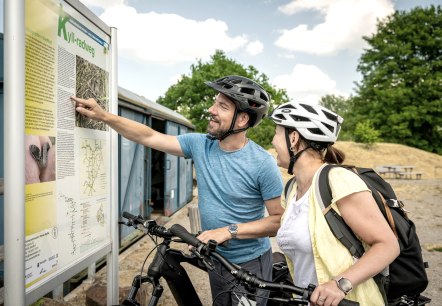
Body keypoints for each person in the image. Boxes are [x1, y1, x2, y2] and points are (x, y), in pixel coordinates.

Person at [71, 75, 284, 306]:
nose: (211, 110)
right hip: (216, 258)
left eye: (222, 106)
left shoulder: (262, 163)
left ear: (242, 119)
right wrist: (103, 116)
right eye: (214, 102)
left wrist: (228, 231)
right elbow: (149, 135)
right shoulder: (201, 145)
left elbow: (277, 221)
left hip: (248, 263)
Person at [269, 102, 400, 306]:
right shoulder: (292, 188)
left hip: (354, 301)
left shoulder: (336, 180)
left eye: (276, 133)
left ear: (293, 138)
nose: (272, 140)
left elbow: (388, 245)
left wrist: (339, 285)